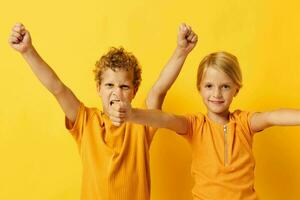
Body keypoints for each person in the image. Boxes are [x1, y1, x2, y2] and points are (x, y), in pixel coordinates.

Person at [9, 22, 198, 200]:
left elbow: (159, 89)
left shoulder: (143, 122)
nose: (116, 91)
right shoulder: (85, 121)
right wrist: (28, 51)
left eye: (124, 86)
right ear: (99, 88)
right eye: (109, 85)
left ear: (134, 91)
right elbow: (57, 88)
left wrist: (181, 51)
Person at [109, 50, 300, 200]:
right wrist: (132, 114)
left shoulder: (245, 123)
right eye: (209, 86)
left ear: (236, 89)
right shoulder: (195, 125)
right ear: (199, 88)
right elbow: (164, 119)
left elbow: (273, 117)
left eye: (225, 86)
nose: (216, 94)